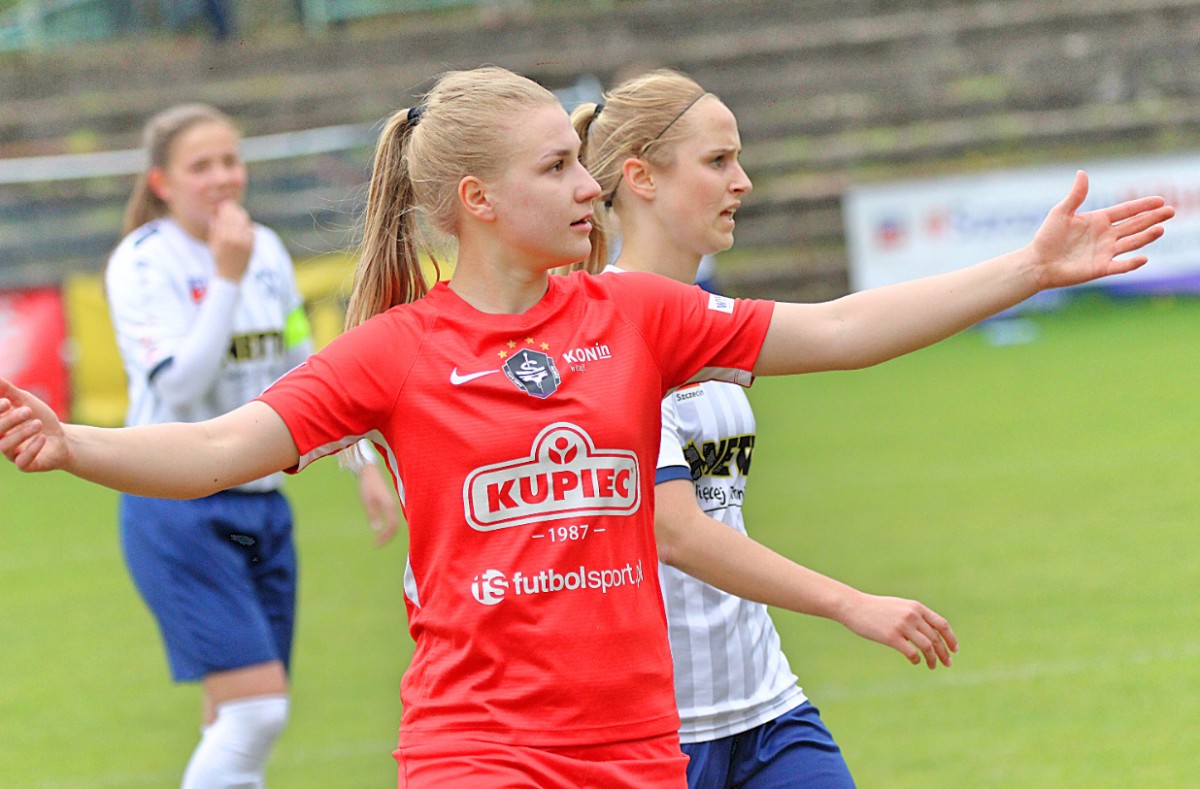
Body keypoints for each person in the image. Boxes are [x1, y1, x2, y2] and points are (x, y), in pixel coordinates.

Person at [0, 66, 1172, 788]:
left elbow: (839, 329)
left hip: (637, 753)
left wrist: (1025, 270)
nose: (586, 186)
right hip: (476, 753)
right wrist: (75, 444)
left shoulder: (636, 317)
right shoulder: (397, 352)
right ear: (478, 201)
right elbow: (217, 449)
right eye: (559, 165)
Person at [569, 67, 956, 787]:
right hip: (651, 732)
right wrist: (850, 603)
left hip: (768, 711)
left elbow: (844, 328)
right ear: (641, 177)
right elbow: (675, 531)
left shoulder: (701, 317)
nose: (742, 182)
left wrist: (1036, 267)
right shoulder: (596, 333)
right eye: (718, 161)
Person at [102, 103, 398, 788]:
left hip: (263, 505)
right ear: (162, 183)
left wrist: (362, 461)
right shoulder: (144, 263)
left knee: (237, 717)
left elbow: (301, 365)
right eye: (200, 166)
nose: (222, 177)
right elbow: (180, 386)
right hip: (178, 504)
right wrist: (226, 277)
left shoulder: (264, 248)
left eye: (230, 161)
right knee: (256, 712)